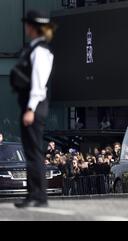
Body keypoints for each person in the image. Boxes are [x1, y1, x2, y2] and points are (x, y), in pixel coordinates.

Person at [11, 10, 55, 208]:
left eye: (28, 24)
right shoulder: (33, 48)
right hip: (32, 106)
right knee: (31, 151)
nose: (26, 27)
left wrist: (30, 108)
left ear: (33, 27)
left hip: (34, 106)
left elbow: (39, 84)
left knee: (34, 152)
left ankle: (38, 194)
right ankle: (35, 194)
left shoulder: (40, 51)